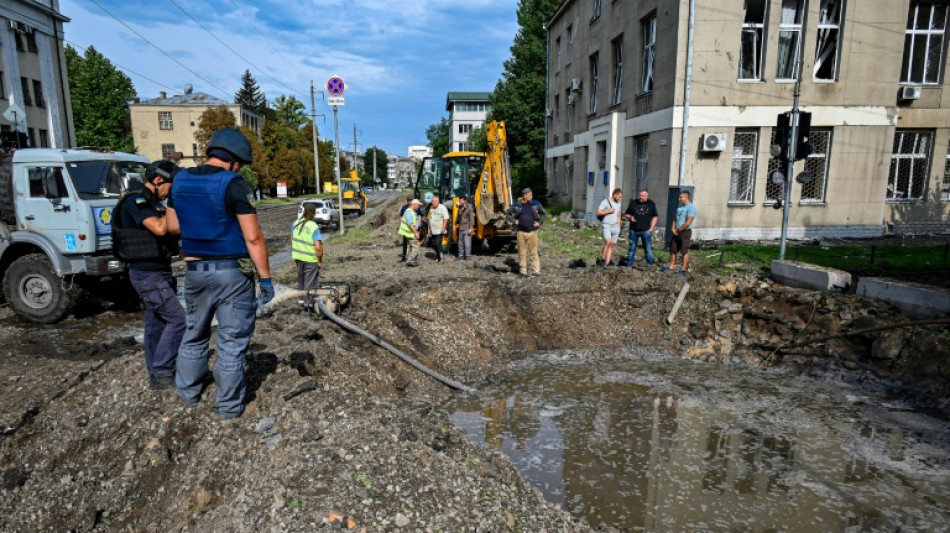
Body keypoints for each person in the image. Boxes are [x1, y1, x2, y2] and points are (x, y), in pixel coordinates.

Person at [165, 128, 273, 420]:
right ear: (235, 160)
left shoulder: (180, 180)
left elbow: (172, 226)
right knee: (231, 341)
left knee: (194, 333)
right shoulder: (234, 185)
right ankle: (228, 407)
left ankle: (188, 394)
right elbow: (253, 238)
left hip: (195, 272)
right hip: (230, 274)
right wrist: (265, 278)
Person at [112, 160, 185, 389]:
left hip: (160, 272)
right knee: (178, 319)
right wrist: (177, 208)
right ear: (158, 180)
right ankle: (163, 370)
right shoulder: (136, 200)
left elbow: (168, 240)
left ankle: (157, 372)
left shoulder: (154, 202)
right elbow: (160, 228)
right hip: (146, 275)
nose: (170, 193)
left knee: (157, 324)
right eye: (170, 187)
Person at [506, 188, 547, 276]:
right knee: (522, 253)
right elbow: (507, 214)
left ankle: (536, 271)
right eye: (530, 195)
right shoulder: (517, 205)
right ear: (524, 196)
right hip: (521, 232)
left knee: (533, 253)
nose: (531, 196)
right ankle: (523, 271)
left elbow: (544, 213)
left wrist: (539, 222)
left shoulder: (535, 204)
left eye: (531, 195)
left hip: (532, 232)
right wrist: (514, 221)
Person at [291, 203, 324, 305]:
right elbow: (318, 247)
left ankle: (301, 300)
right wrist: (319, 260)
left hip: (298, 257)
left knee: (301, 279)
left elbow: (292, 239)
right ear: (313, 213)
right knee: (310, 281)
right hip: (310, 259)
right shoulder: (314, 227)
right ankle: (308, 303)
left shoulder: (295, 223)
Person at [663, 190, 696, 275]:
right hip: (676, 231)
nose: (679, 199)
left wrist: (679, 229)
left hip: (685, 232)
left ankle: (683, 269)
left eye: (681, 197)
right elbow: (675, 218)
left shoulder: (691, 207)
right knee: (673, 249)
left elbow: (688, 222)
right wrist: (673, 228)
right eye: (679, 197)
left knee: (684, 250)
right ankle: (671, 267)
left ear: (686, 197)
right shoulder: (679, 206)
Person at [624, 189, 659, 267]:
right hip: (634, 230)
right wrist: (631, 217)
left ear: (646, 196)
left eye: (642, 196)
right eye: (640, 195)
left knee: (648, 248)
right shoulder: (633, 202)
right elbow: (626, 214)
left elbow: (655, 216)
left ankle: (649, 265)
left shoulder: (651, 204)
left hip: (646, 230)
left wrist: (651, 228)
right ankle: (629, 266)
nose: (640, 197)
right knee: (632, 249)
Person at [596, 188, 623, 266]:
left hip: (615, 226)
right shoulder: (605, 201)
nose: (620, 198)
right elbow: (598, 212)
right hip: (607, 225)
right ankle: (603, 259)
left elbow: (618, 215)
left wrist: (619, 226)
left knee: (611, 245)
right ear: (615, 195)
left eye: (621, 197)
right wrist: (609, 211)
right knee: (608, 241)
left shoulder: (618, 204)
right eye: (619, 197)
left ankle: (607, 263)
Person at [399, 198, 423, 267]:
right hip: (411, 233)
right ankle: (410, 260)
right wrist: (416, 232)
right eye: (418, 205)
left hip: (409, 233)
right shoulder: (409, 212)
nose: (418, 207)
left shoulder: (411, 211)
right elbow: (410, 224)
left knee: (410, 247)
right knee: (415, 247)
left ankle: (409, 260)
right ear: (414, 204)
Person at [427, 194, 450, 263]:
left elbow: (446, 218)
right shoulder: (431, 208)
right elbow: (429, 219)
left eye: (433, 201)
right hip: (433, 230)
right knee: (434, 244)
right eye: (432, 201)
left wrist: (444, 227)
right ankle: (438, 258)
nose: (432, 202)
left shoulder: (442, 208)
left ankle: (441, 258)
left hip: (439, 230)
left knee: (438, 243)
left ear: (438, 201)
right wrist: (429, 228)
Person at [455, 195, 475, 260]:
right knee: (460, 243)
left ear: (465, 201)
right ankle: (461, 255)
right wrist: (455, 225)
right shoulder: (459, 208)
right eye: (459, 200)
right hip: (461, 228)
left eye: (461, 200)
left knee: (467, 243)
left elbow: (472, 219)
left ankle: (468, 256)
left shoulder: (469, 208)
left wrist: (471, 228)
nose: (460, 202)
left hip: (467, 228)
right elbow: (458, 218)